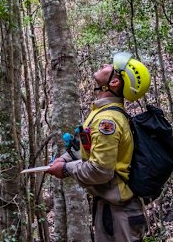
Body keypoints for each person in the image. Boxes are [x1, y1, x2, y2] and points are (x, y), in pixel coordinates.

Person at [46, 52, 151, 242]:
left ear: (114, 83)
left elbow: (101, 170)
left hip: (120, 215)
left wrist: (66, 169)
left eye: (111, 67)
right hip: (111, 210)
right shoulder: (102, 112)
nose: (104, 64)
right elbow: (89, 149)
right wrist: (66, 157)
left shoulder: (107, 121)